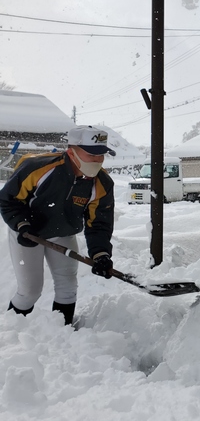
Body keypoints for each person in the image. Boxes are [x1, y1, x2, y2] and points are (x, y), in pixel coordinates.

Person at [0, 125, 116, 326]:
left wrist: (101, 254)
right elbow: (8, 200)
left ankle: (62, 331)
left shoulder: (102, 183)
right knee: (30, 291)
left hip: (63, 233)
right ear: (72, 152)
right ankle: (11, 333)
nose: (98, 160)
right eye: (92, 155)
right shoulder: (38, 168)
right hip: (29, 233)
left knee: (68, 287)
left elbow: (98, 223)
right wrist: (22, 225)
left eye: (102, 155)